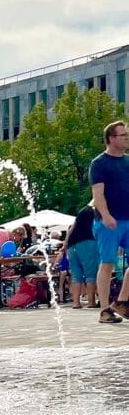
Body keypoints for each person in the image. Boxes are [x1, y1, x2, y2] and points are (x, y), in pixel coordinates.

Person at [90, 120, 129, 324]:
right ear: (111, 138)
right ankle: (105, 309)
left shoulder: (128, 162)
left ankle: (121, 301)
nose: (126, 138)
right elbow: (98, 194)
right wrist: (105, 215)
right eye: (123, 135)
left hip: (128, 219)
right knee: (107, 263)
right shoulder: (99, 164)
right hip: (108, 221)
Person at [63, 204, 98, 309]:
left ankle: (76, 303)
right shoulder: (95, 213)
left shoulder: (81, 213)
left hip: (71, 244)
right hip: (87, 242)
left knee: (75, 274)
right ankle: (91, 302)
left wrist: (65, 244)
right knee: (90, 273)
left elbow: (70, 230)